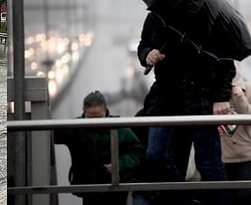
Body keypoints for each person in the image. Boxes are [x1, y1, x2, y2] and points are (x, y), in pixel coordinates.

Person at [137, 12, 235, 205]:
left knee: (209, 165)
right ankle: (184, 201)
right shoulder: (158, 16)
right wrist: (147, 54)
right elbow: (143, 45)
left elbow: (226, 63)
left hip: (200, 101)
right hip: (166, 100)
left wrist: (221, 98)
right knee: (156, 157)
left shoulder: (213, 20)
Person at [54, 90, 145, 205]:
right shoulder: (74, 128)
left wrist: (120, 164)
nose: (95, 122)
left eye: (99, 117)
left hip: (115, 186)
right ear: (83, 111)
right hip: (89, 187)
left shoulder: (120, 128)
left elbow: (138, 152)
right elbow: (49, 136)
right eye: (90, 118)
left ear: (106, 110)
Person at [220, 61, 251, 205]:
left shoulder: (248, 90)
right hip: (224, 158)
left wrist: (239, 97)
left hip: (247, 156)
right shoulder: (215, 96)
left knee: (244, 195)